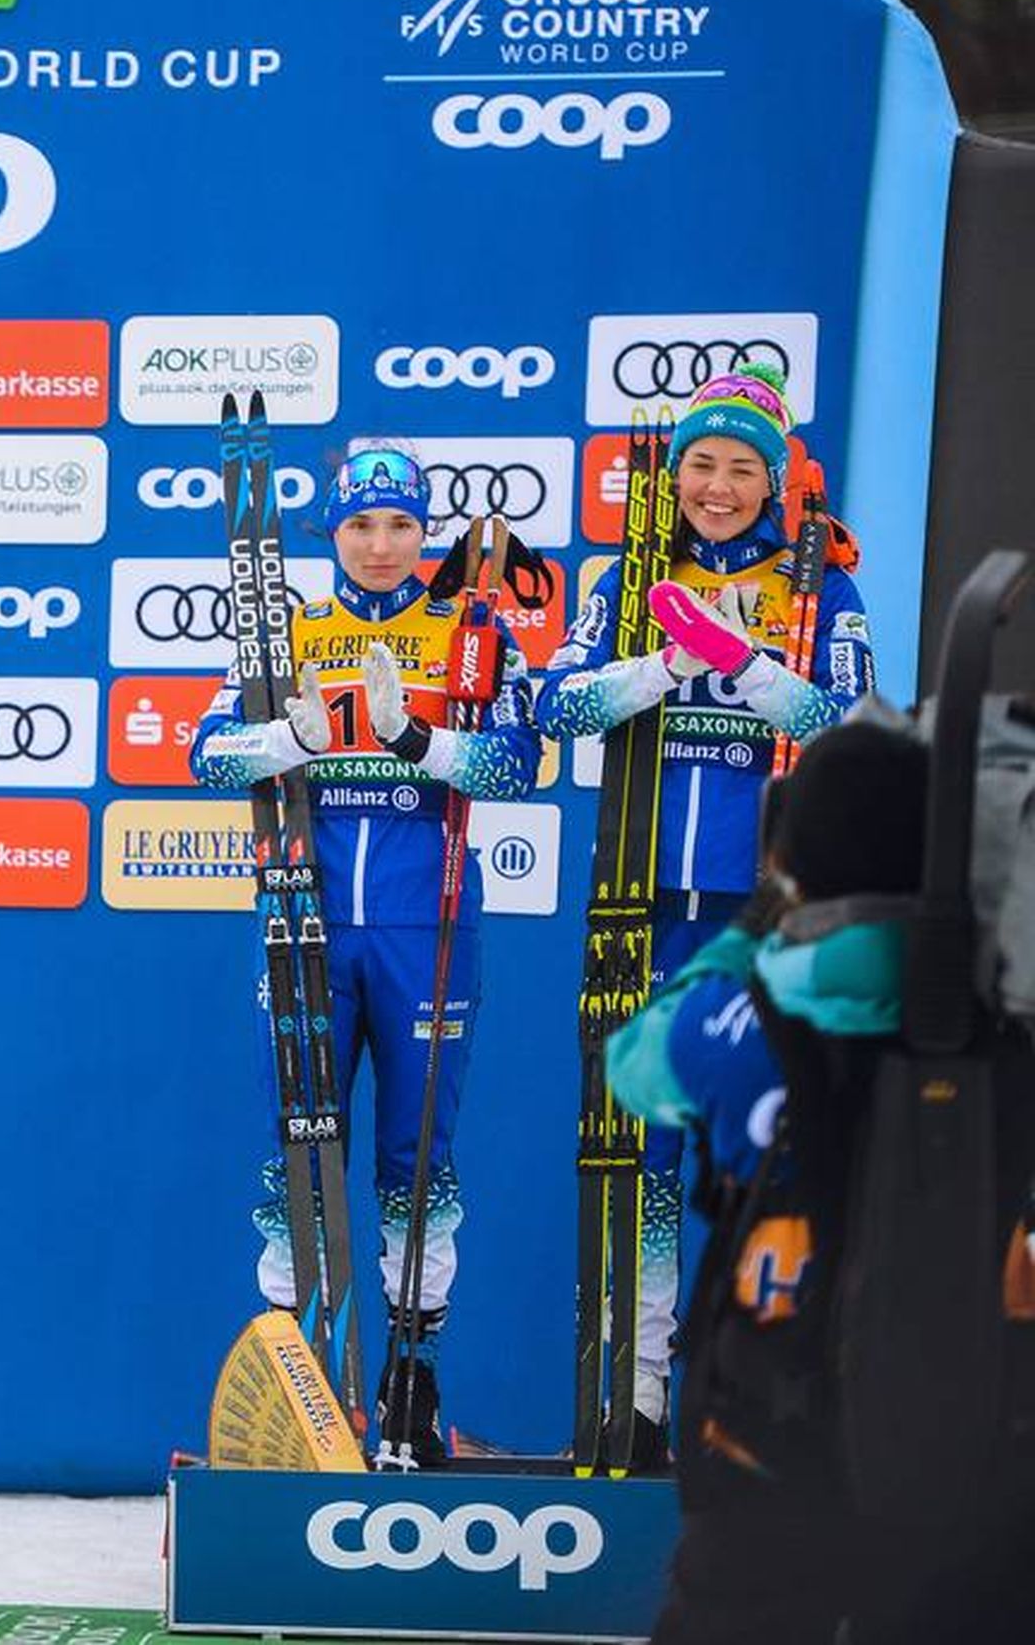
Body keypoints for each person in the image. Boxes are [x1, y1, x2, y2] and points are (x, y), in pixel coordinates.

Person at [609, 716, 1035, 1641]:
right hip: (975, 1462)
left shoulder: (742, 1005)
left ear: (789, 854)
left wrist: (754, 922)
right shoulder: (1002, 1010)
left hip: (769, 1454)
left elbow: (635, 1064)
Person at [537, 368, 873, 1461]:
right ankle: (633, 1404)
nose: (718, 486)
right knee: (635, 1156)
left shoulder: (817, 580)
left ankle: (741, 1399)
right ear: (673, 472)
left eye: (742, 466)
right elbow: (559, 703)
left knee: (752, 1151)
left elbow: (848, 726)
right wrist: (667, 661)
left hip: (760, 916)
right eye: (700, 463)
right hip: (637, 903)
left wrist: (748, 665)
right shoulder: (628, 576)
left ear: (774, 477)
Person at [190, 442, 542, 1459]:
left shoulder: (470, 630)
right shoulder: (289, 630)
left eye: (399, 525)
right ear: (331, 533)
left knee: (417, 1156)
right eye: (360, 525)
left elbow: (518, 763)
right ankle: (301, 1384)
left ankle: (411, 1385)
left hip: (426, 926)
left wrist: (416, 739)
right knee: (299, 1149)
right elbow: (208, 752)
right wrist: (290, 740)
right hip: (304, 918)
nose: (381, 546)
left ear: (424, 532)